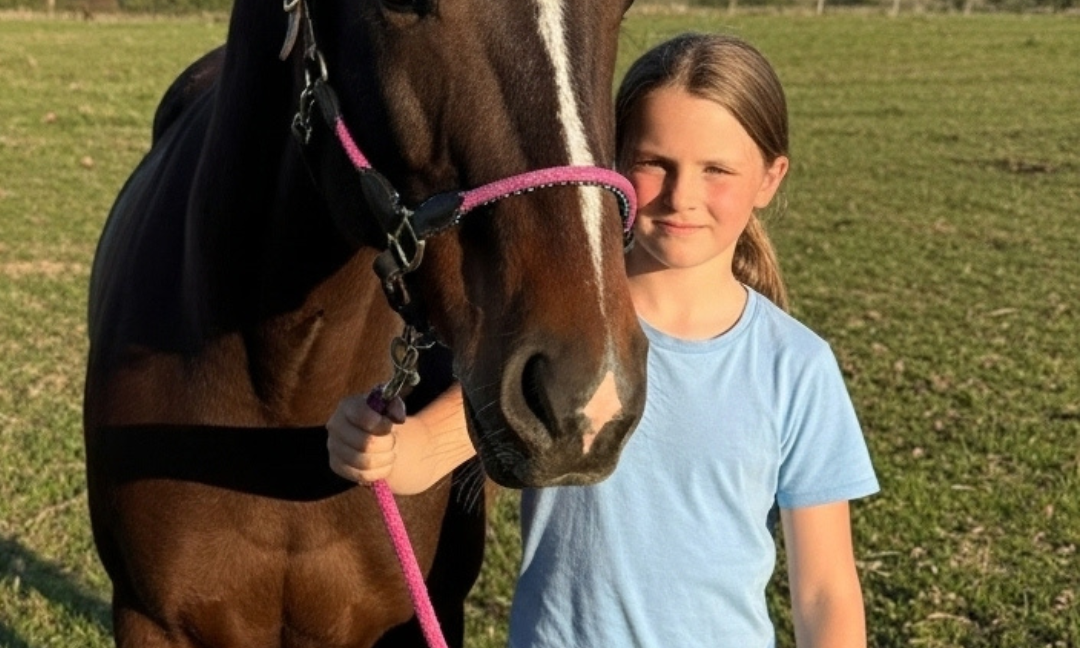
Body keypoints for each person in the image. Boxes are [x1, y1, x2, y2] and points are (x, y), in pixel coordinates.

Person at [327, 32, 879, 647]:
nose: (681, 197)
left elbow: (824, 589)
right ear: (610, 163)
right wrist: (372, 446)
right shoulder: (569, 343)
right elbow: (422, 454)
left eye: (716, 170)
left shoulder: (795, 367)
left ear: (770, 179)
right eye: (654, 163)